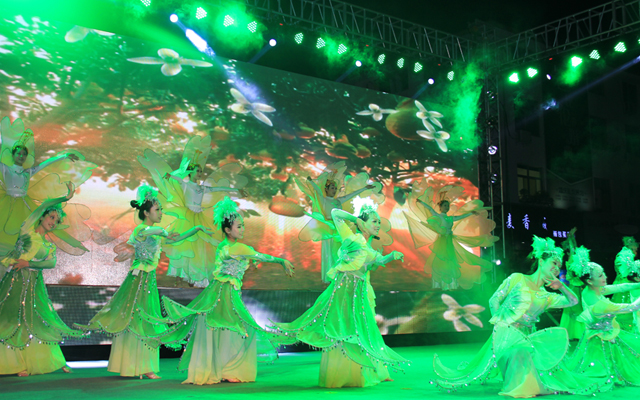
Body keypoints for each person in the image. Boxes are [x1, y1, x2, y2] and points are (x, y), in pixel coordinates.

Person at [433, 236, 609, 397]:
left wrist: (561, 286)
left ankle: (529, 386)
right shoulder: (517, 278)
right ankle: (523, 385)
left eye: (558, 266)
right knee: (520, 353)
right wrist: (500, 327)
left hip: (528, 339)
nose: (556, 268)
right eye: (553, 263)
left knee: (537, 360)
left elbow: (572, 301)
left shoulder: (546, 295)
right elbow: (494, 300)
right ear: (541, 261)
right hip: (506, 337)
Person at [79, 185, 211, 379]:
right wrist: (164, 232)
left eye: (161, 209)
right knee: (135, 318)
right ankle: (131, 365)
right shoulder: (141, 229)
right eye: (157, 209)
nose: (161, 213)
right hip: (138, 280)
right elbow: (154, 230)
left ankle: (145, 366)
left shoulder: (155, 233)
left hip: (148, 280)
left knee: (147, 320)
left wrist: (196, 229)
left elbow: (176, 238)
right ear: (146, 212)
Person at [161, 196, 296, 385]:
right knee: (233, 329)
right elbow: (261, 256)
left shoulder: (224, 246)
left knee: (223, 330)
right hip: (225, 292)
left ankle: (221, 368)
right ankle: (229, 369)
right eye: (239, 226)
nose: (243, 229)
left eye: (243, 225)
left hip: (219, 290)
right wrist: (281, 261)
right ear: (227, 229)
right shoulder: (238, 247)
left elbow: (242, 261)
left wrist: (250, 263)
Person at [273, 198, 407, 388]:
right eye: (374, 221)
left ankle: (359, 374)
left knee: (360, 331)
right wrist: (355, 219)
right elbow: (335, 213)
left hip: (358, 297)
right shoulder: (350, 238)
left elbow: (380, 260)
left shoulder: (369, 249)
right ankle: (340, 374)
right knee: (341, 329)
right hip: (342, 295)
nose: (378, 224)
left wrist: (392, 255)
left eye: (379, 221)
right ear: (363, 223)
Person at [0, 182, 86, 376]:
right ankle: (14, 363)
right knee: (11, 319)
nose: (53, 222)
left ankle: (51, 360)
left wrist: (29, 263)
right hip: (15, 282)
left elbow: (51, 263)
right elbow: (44, 205)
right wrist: (64, 198)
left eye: (57, 220)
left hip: (33, 284)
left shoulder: (49, 246)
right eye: (51, 217)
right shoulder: (27, 231)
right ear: (42, 216)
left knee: (36, 321)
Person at [138, 136, 247, 286]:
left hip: (200, 216)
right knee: (185, 246)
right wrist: (170, 175)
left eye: (201, 171)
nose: (200, 173)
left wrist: (237, 190)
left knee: (200, 248)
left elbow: (219, 189)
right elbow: (177, 179)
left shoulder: (202, 188)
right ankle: (182, 277)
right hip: (187, 217)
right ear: (190, 172)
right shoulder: (187, 184)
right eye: (197, 171)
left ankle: (196, 278)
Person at [0, 117, 95, 247]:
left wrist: (64, 156)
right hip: (6, 203)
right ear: (13, 155)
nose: (21, 156)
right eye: (18, 154)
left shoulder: (28, 172)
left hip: (23, 204)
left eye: (23, 154)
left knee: (25, 230)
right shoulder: (5, 169)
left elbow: (45, 163)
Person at [565, 245, 640, 386]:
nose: (605, 276)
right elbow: (633, 307)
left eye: (603, 273)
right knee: (603, 368)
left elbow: (620, 287)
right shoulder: (600, 304)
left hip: (599, 335)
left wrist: (638, 285)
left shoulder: (591, 290)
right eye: (600, 275)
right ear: (589, 280)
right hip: (600, 340)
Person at [295, 161, 379, 283]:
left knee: (342, 251)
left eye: (335, 188)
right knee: (329, 252)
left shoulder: (338, 201)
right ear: (327, 189)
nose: (334, 190)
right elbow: (317, 191)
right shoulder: (324, 200)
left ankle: (341, 274)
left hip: (340, 228)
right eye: (332, 188)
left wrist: (365, 188)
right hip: (329, 228)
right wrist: (311, 182)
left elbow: (351, 194)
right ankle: (330, 276)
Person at [404, 182, 497, 290]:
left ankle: (450, 285)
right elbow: (430, 209)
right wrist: (421, 202)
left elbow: (461, 217)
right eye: (445, 206)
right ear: (440, 207)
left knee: (450, 260)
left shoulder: (450, 218)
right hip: (442, 240)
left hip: (449, 240)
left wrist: (472, 213)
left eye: (447, 206)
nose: (447, 207)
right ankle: (439, 284)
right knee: (441, 259)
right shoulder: (438, 216)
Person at [559, 227, 586, 339]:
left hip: (578, 287)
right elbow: (573, 247)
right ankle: (575, 332)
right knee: (575, 309)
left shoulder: (574, 260)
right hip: (574, 287)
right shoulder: (571, 260)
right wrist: (570, 237)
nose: (575, 250)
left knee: (578, 309)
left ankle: (577, 332)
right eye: (571, 249)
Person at [611, 236, 640, 332]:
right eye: (635, 248)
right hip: (626, 286)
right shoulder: (624, 255)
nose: (636, 250)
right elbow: (626, 273)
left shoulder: (625, 255)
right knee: (627, 308)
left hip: (627, 284)